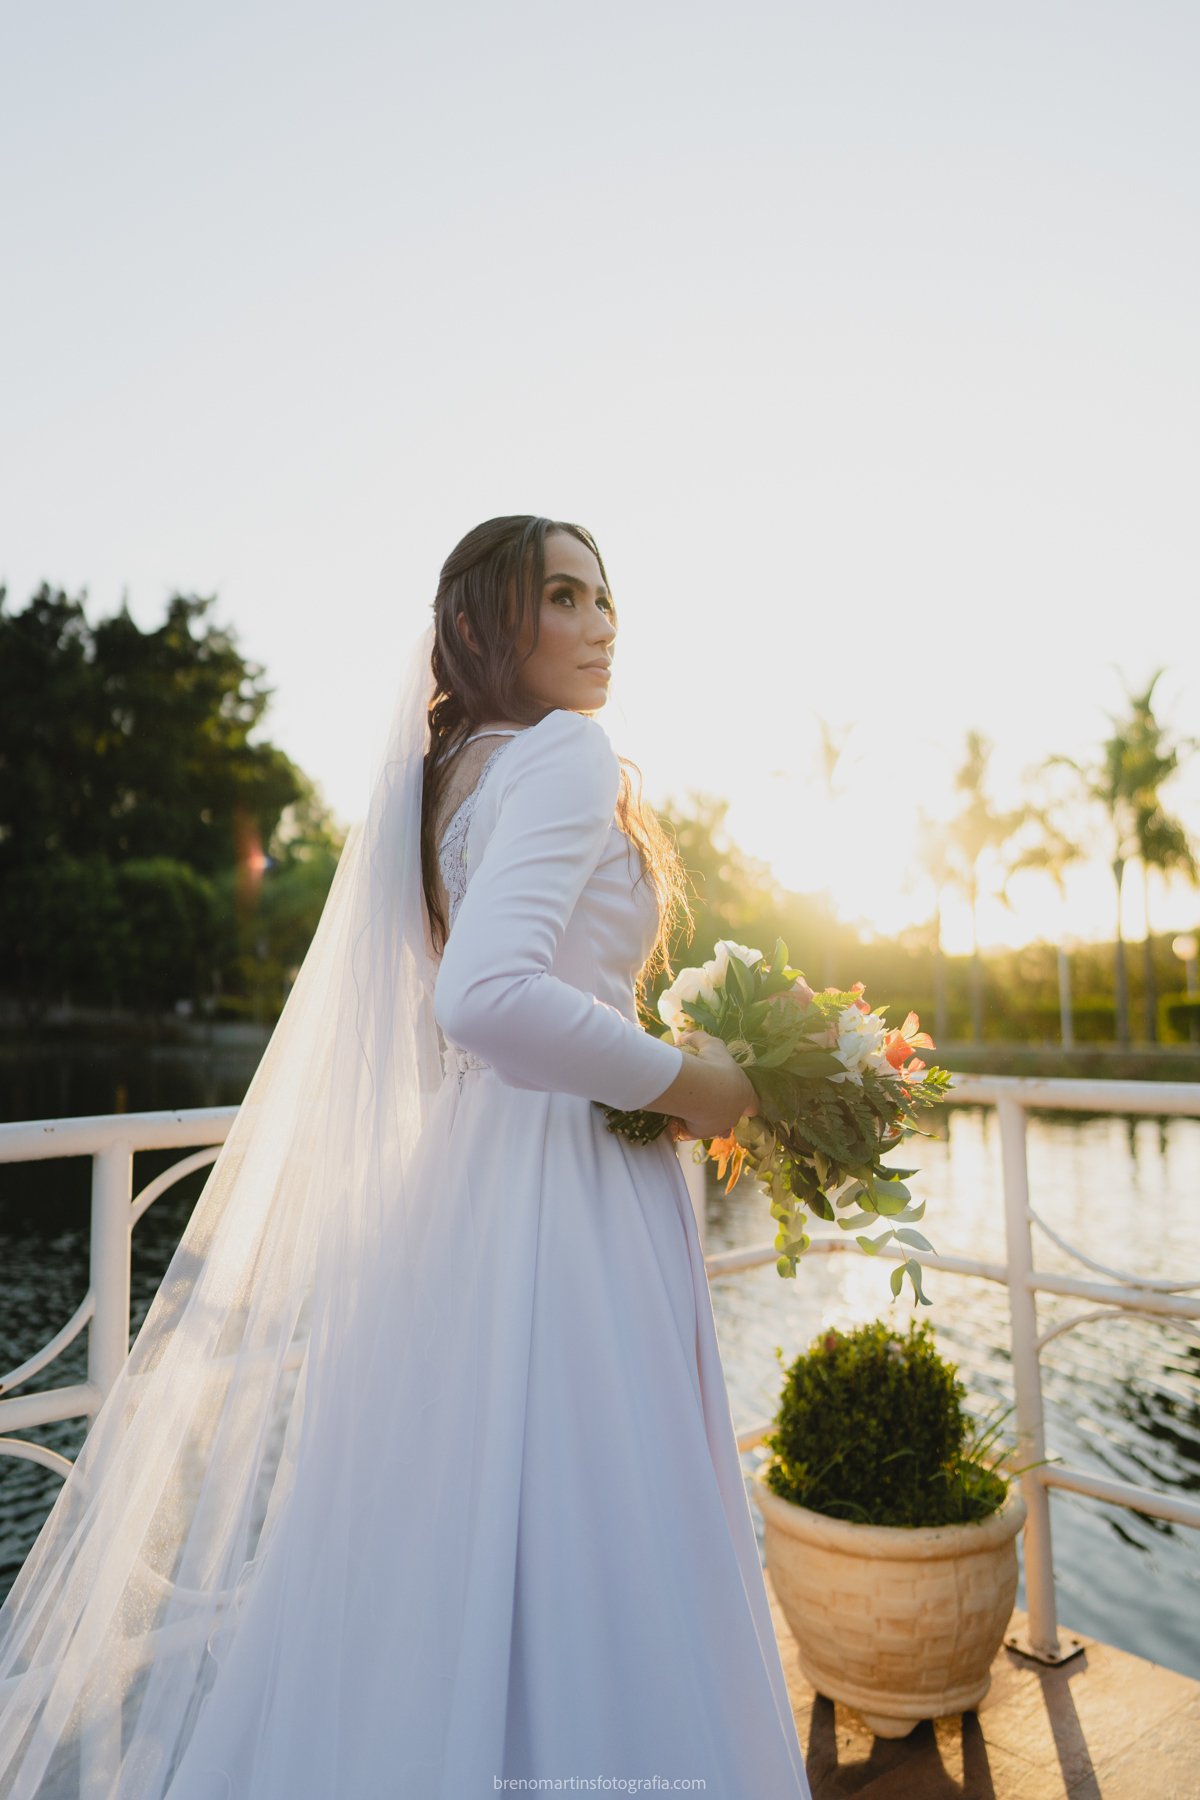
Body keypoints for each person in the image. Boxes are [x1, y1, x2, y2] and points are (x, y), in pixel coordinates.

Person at [0, 517, 809, 1798]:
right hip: (567, 1185)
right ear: (490, 624)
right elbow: (486, 998)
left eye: (608, 598)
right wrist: (694, 1080)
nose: (602, 624)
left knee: (475, 1538)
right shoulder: (563, 754)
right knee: (602, 1531)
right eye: (565, 596)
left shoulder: (447, 777)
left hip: (469, 1183)